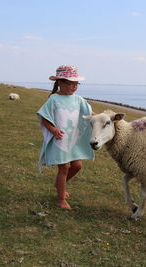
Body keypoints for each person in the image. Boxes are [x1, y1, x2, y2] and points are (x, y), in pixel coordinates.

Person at [37, 65, 94, 210]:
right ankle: (61, 199)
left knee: (77, 165)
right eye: (71, 83)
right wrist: (53, 130)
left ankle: (59, 184)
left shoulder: (79, 100)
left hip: (73, 140)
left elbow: (90, 113)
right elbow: (44, 117)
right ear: (60, 83)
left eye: (76, 83)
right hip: (60, 140)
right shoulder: (53, 100)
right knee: (64, 168)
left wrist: (104, 118)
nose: (74, 86)